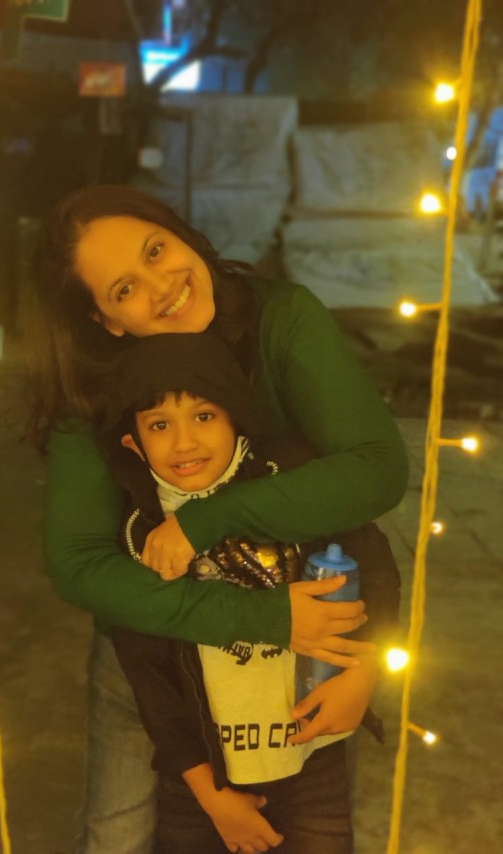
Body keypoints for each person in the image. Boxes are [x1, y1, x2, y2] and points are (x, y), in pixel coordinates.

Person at [27, 184, 409, 853]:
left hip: (307, 644)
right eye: (124, 289)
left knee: (310, 827)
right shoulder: (93, 383)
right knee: (117, 835)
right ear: (105, 321)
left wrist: (208, 521)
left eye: (156, 251)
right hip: (157, 648)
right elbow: (79, 564)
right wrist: (259, 617)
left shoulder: (278, 320)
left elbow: (375, 474)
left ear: (180, 233)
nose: (162, 286)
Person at [99, 330, 400, 854]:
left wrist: (365, 670)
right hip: (205, 781)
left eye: (204, 415)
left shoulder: (292, 485)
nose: (185, 442)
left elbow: (375, 567)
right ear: (134, 443)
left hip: (313, 760)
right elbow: (151, 681)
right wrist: (210, 795)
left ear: (236, 418)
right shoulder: (140, 540)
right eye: (160, 424)